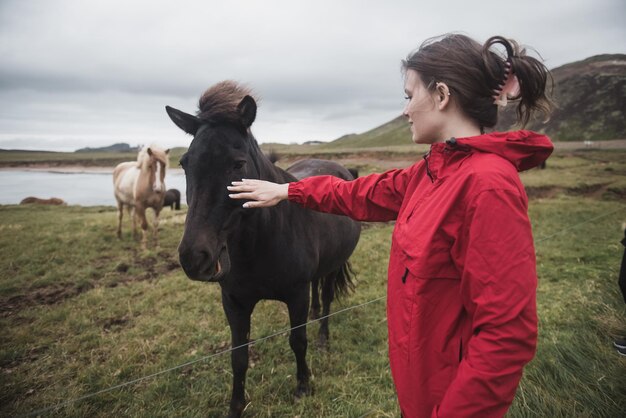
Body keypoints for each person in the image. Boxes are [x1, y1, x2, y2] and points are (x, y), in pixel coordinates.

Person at [228, 34, 554, 417]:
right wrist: (287, 190)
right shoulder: (434, 170)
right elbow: (359, 194)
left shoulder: (488, 186)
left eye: (408, 95)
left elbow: (506, 336)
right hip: (419, 388)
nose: (405, 111)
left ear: (442, 95)